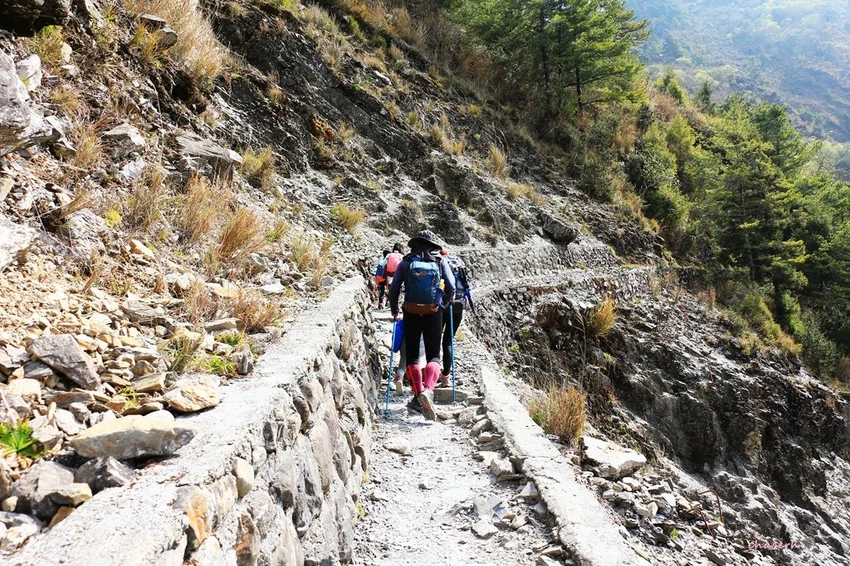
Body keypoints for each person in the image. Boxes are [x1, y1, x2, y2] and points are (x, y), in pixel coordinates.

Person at [388, 230, 455, 421]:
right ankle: (429, 390)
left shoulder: (407, 262)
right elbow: (450, 286)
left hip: (410, 312)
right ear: (433, 245)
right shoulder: (440, 261)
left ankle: (418, 395)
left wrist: (394, 310)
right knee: (434, 354)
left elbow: (394, 289)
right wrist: (443, 303)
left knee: (412, 355)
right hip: (434, 312)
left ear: (415, 244)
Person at [440, 250, 474, 387]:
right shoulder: (457, 262)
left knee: (435, 339)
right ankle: (446, 376)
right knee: (448, 340)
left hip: (443, 304)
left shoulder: (440, 263)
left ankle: (432, 373)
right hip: (459, 304)